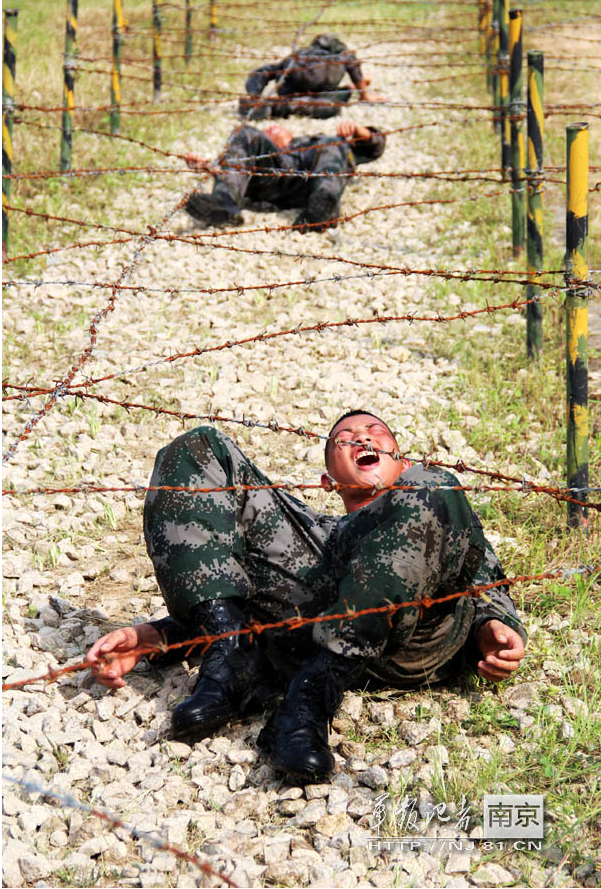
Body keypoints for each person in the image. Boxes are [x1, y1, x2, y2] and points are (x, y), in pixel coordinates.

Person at [86, 412, 527, 781]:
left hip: (417, 639)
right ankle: (231, 658)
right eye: (346, 439)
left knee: (432, 488)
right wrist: (159, 637)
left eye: (375, 434)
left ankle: (312, 697)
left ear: (401, 460)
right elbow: (257, 591)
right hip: (306, 620)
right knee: (197, 444)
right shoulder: (312, 537)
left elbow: (480, 569)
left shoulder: (428, 491)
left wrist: (492, 626)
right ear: (328, 481)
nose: (362, 439)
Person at [183, 120, 385, 232]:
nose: (271, 128)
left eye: (276, 127)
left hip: (315, 179)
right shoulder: (272, 155)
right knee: (243, 132)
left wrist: (363, 132)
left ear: (290, 135)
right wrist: (212, 167)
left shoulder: (322, 143)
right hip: (279, 178)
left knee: (332, 146)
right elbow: (239, 165)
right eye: (268, 131)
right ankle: (223, 205)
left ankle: (323, 204)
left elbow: (375, 149)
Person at [238, 34, 383, 121]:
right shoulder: (342, 58)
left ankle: (274, 105)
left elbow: (265, 71)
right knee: (331, 106)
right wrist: (364, 94)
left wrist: (254, 93)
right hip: (317, 94)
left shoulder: (299, 55)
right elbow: (352, 63)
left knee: (330, 102)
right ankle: (278, 106)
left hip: (295, 90)